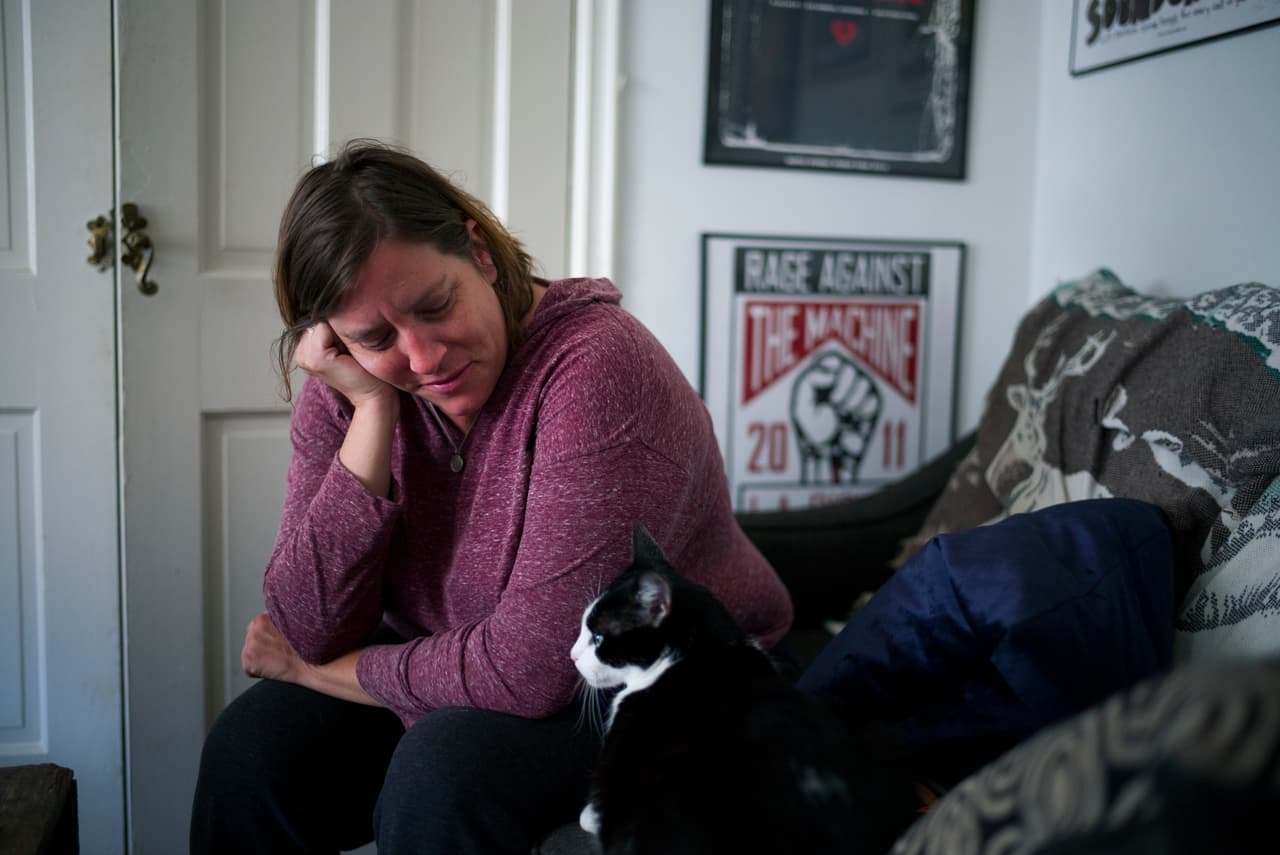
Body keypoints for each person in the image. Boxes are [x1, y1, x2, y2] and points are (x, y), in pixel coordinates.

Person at [189, 139, 793, 854]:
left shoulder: (596, 370)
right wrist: (374, 410)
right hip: (455, 650)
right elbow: (309, 621)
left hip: (658, 677)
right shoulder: (354, 385)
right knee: (251, 748)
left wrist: (310, 670)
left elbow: (531, 668)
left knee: (441, 770)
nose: (422, 357)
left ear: (477, 250)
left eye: (434, 305)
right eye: (377, 337)